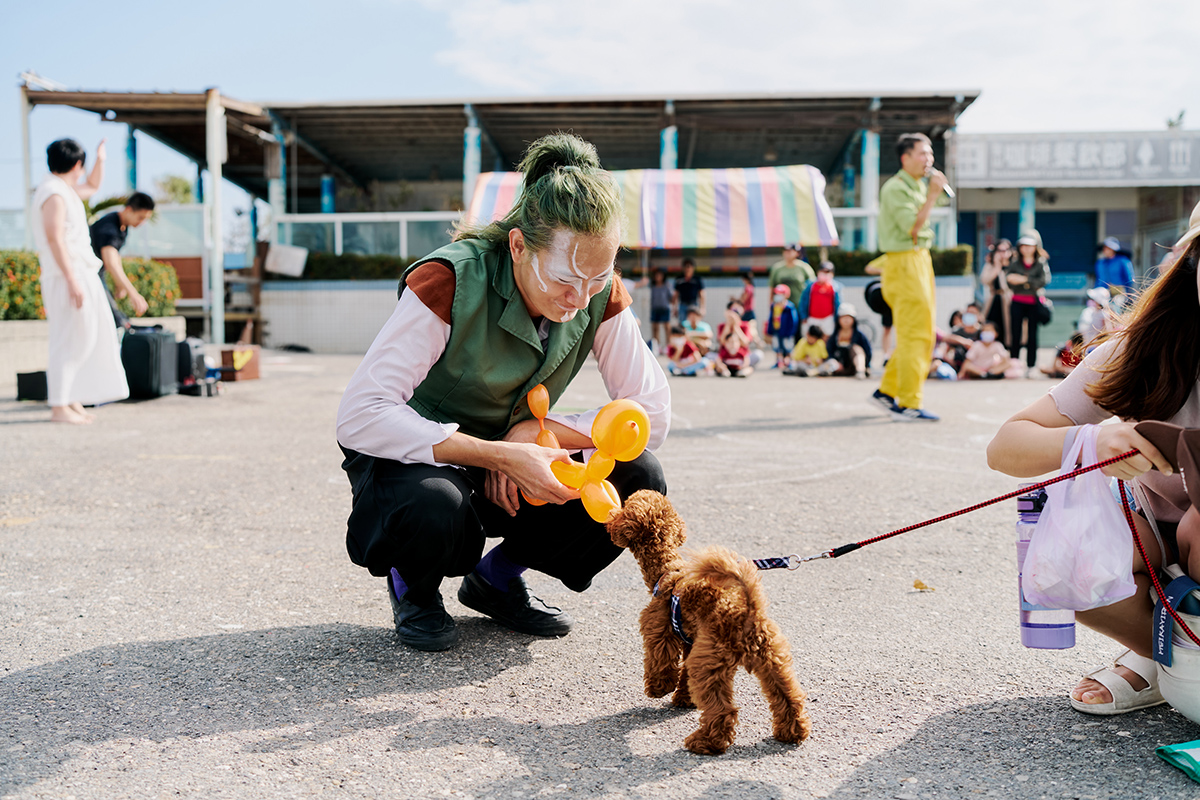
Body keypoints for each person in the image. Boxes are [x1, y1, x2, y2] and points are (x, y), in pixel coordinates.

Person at [335, 134, 670, 652]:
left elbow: (650, 412)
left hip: (518, 458)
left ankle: (497, 577)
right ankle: (414, 588)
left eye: (598, 277)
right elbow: (361, 415)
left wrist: (538, 435)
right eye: (564, 278)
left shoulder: (596, 292)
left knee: (638, 473)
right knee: (433, 505)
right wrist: (497, 454)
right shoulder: (447, 279)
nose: (579, 299)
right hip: (421, 461)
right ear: (518, 245)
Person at [986, 202, 1200, 715]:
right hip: (1157, 533)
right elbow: (1006, 446)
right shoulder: (1140, 352)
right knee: (1073, 551)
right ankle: (1168, 656)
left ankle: (1171, 659)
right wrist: (1091, 442)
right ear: (1190, 265)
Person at [30, 138, 129, 424]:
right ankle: (59, 405)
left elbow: (93, 186)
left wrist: (100, 159)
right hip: (67, 276)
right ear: (76, 165)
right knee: (69, 339)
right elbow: (54, 237)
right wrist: (72, 280)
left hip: (77, 274)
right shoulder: (53, 193)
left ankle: (70, 398)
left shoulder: (62, 189)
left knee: (84, 337)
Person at [869, 133, 948, 421]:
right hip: (905, 261)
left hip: (917, 259)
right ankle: (908, 404)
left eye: (930, 154)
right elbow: (912, 229)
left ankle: (887, 392)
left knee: (922, 333)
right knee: (916, 335)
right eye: (922, 154)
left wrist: (930, 194)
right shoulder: (896, 188)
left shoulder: (915, 185)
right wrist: (933, 195)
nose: (928, 160)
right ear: (905, 158)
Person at [89, 191, 156, 329]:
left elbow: (115, 256)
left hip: (96, 274)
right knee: (111, 316)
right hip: (87, 275)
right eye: (140, 218)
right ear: (129, 209)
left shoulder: (122, 226)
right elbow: (111, 263)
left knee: (113, 316)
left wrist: (119, 285)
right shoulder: (109, 228)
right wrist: (134, 294)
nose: (141, 223)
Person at [1005, 229, 1051, 376]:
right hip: (1017, 301)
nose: (1026, 248)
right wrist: (1028, 282)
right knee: (1015, 333)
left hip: (1034, 303)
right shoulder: (1015, 262)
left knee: (1032, 334)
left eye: (1030, 245)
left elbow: (1043, 281)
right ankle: (1014, 363)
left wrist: (1023, 279)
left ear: (1035, 247)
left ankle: (1031, 366)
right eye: (1023, 245)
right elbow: (1009, 280)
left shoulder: (1040, 262)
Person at [822, 303, 873, 378]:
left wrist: (867, 365)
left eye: (848, 317)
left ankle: (861, 371)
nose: (846, 320)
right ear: (839, 319)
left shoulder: (859, 335)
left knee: (856, 349)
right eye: (843, 317)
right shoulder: (835, 335)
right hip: (839, 365)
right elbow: (829, 351)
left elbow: (868, 350)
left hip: (854, 365)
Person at [796, 262, 843, 337]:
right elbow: (803, 301)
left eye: (827, 272)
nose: (825, 274)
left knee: (827, 339)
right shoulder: (810, 286)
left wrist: (837, 319)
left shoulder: (835, 287)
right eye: (822, 271)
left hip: (828, 319)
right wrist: (803, 316)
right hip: (812, 318)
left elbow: (838, 304)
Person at [980, 240, 1013, 345]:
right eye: (999, 250)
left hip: (1009, 301)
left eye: (1005, 250)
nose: (1002, 253)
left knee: (1008, 329)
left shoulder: (1013, 265)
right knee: (992, 326)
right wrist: (997, 266)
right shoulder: (990, 265)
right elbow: (984, 280)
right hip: (993, 301)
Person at [714, 299, 759, 377]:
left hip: (740, 358)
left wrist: (736, 326)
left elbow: (745, 343)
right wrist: (728, 324)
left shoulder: (745, 325)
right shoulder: (722, 326)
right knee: (711, 357)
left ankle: (742, 371)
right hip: (726, 357)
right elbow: (722, 342)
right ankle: (724, 371)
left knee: (758, 354)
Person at [768, 244, 815, 308]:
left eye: (790, 251)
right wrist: (770, 306)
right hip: (781, 306)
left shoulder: (804, 267)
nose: (787, 253)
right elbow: (772, 288)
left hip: (800, 305)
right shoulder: (777, 268)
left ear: (797, 253)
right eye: (785, 251)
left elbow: (813, 287)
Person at [765, 284, 799, 369]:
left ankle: (789, 361)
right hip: (776, 330)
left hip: (786, 331)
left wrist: (791, 331)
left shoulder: (789, 307)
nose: (778, 296)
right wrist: (769, 330)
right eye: (777, 294)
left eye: (780, 294)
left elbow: (793, 320)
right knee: (777, 346)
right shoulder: (774, 306)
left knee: (788, 346)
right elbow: (771, 318)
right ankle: (778, 361)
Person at [648, 269, 672, 353]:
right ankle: (656, 346)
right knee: (655, 328)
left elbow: (670, 297)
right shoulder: (653, 286)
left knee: (667, 328)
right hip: (655, 308)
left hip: (665, 308)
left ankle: (668, 346)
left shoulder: (667, 285)